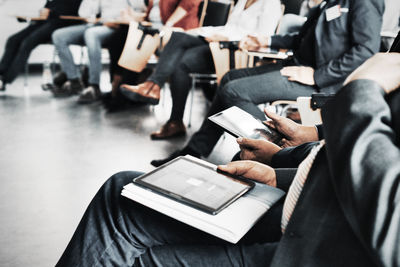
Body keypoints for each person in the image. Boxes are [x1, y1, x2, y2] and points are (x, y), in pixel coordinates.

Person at [55, 53, 400, 266]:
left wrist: (360, 91)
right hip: (317, 207)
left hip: (325, 245)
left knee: (129, 229)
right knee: (122, 191)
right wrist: (281, 168)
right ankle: (186, 140)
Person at [151, 0, 384, 167]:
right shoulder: (327, 3)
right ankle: (195, 150)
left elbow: (366, 50)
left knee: (233, 91)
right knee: (230, 78)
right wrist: (267, 39)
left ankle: (279, 150)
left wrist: (317, 76)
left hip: (324, 80)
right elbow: (300, 40)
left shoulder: (365, 2)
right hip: (296, 65)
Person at [120, 0, 282, 139]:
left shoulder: (270, 3)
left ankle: (157, 93)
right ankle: (160, 97)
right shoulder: (242, 1)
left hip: (237, 51)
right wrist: (203, 31)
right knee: (179, 39)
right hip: (219, 45)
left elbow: (263, 37)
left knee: (180, 59)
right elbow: (228, 27)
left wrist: (226, 38)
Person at [49, 0, 129, 102]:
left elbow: (140, 9)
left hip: (116, 26)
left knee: (91, 34)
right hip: (98, 24)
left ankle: (94, 86)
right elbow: (83, 13)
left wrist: (120, 19)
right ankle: (74, 81)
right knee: (58, 36)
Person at [0, 0, 82, 91]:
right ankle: (1, 74)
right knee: (13, 40)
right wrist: (43, 12)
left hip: (59, 23)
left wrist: (50, 12)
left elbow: (73, 11)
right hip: (44, 21)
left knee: (27, 43)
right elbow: (48, 7)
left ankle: (4, 80)